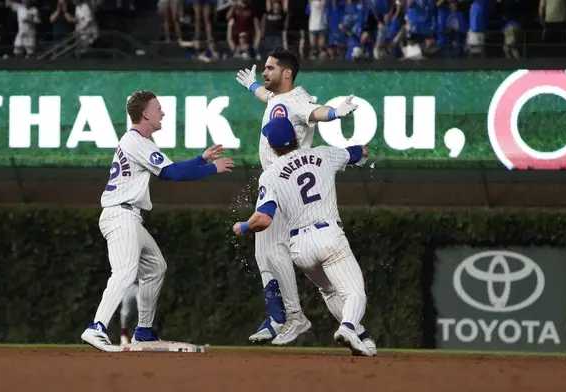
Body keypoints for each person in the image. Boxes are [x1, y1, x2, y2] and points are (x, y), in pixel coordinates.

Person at [81, 90, 234, 352]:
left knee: (155, 267)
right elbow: (172, 174)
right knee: (125, 272)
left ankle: (144, 331)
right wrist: (211, 168)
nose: (162, 112)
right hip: (121, 214)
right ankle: (97, 327)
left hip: (129, 216)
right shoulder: (135, 141)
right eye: (158, 108)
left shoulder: (139, 142)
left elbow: (169, 170)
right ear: (145, 114)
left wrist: (200, 159)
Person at [234, 48, 358, 345]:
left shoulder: (299, 98)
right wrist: (252, 86)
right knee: (263, 254)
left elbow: (314, 112)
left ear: (286, 73)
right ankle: (280, 317)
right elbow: (270, 98)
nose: (265, 72)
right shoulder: (278, 97)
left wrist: (334, 113)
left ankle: (293, 317)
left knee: (275, 253)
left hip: (286, 183)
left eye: (270, 68)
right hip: (275, 182)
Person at [232, 116, 377, 357]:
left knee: (329, 291)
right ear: (296, 138)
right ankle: (349, 327)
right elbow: (358, 152)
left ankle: (362, 338)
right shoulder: (323, 155)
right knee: (354, 293)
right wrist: (362, 152)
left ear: (271, 146)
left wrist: (244, 226)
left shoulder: (270, 174)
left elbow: (264, 219)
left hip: (300, 246)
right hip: (328, 235)